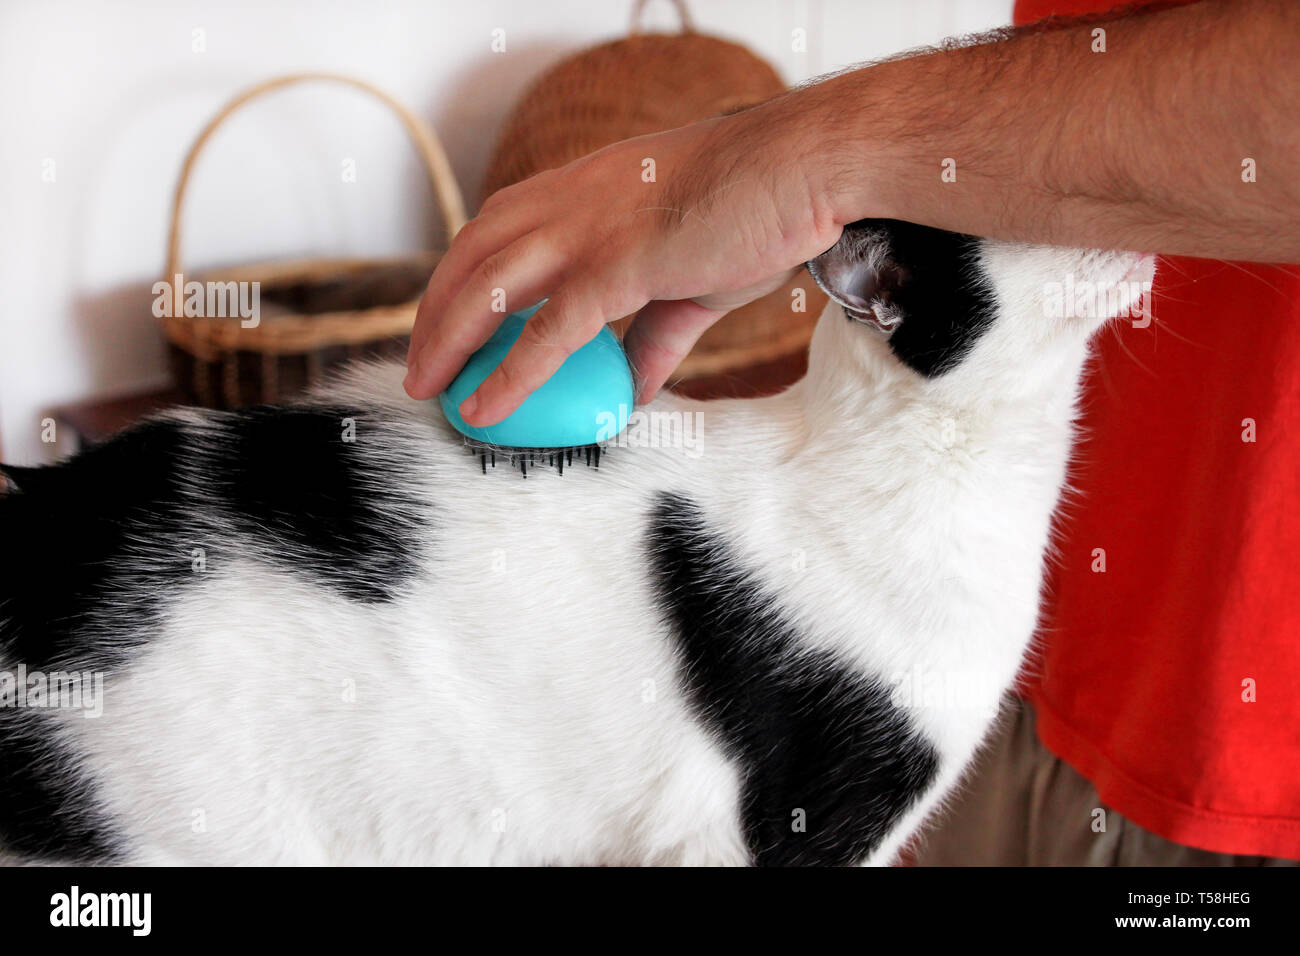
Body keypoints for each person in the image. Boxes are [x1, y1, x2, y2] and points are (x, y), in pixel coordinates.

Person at [405, 0, 1300, 864]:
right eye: (1037, 221)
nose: (1090, 221)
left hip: (1235, 731)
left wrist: (810, 152)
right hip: (1061, 697)